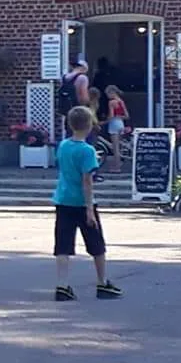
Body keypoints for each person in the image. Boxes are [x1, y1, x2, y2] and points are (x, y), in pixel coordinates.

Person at [51, 106, 123, 302]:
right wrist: (90, 208)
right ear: (90, 125)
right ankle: (102, 281)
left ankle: (62, 285)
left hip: (63, 199)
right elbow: (87, 180)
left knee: (63, 244)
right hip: (82, 203)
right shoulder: (88, 151)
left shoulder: (63, 146)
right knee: (96, 244)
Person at [58, 58, 90, 136]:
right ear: (83, 68)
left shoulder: (64, 78)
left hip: (67, 110)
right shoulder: (82, 78)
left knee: (69, 133)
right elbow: (83, 97)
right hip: (79, 111)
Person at [105, 85, 130, 173]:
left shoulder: (111, 102)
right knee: (119, 146)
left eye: (107, 94)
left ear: (112, 93)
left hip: (114, 124)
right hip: (121, 123)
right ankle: (119, 164)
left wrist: (105, 121)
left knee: (115, 147)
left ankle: (117, 167)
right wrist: (119, 116)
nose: (107, 96)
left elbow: (111, 116)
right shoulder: (121, 101)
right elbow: (127, 116)